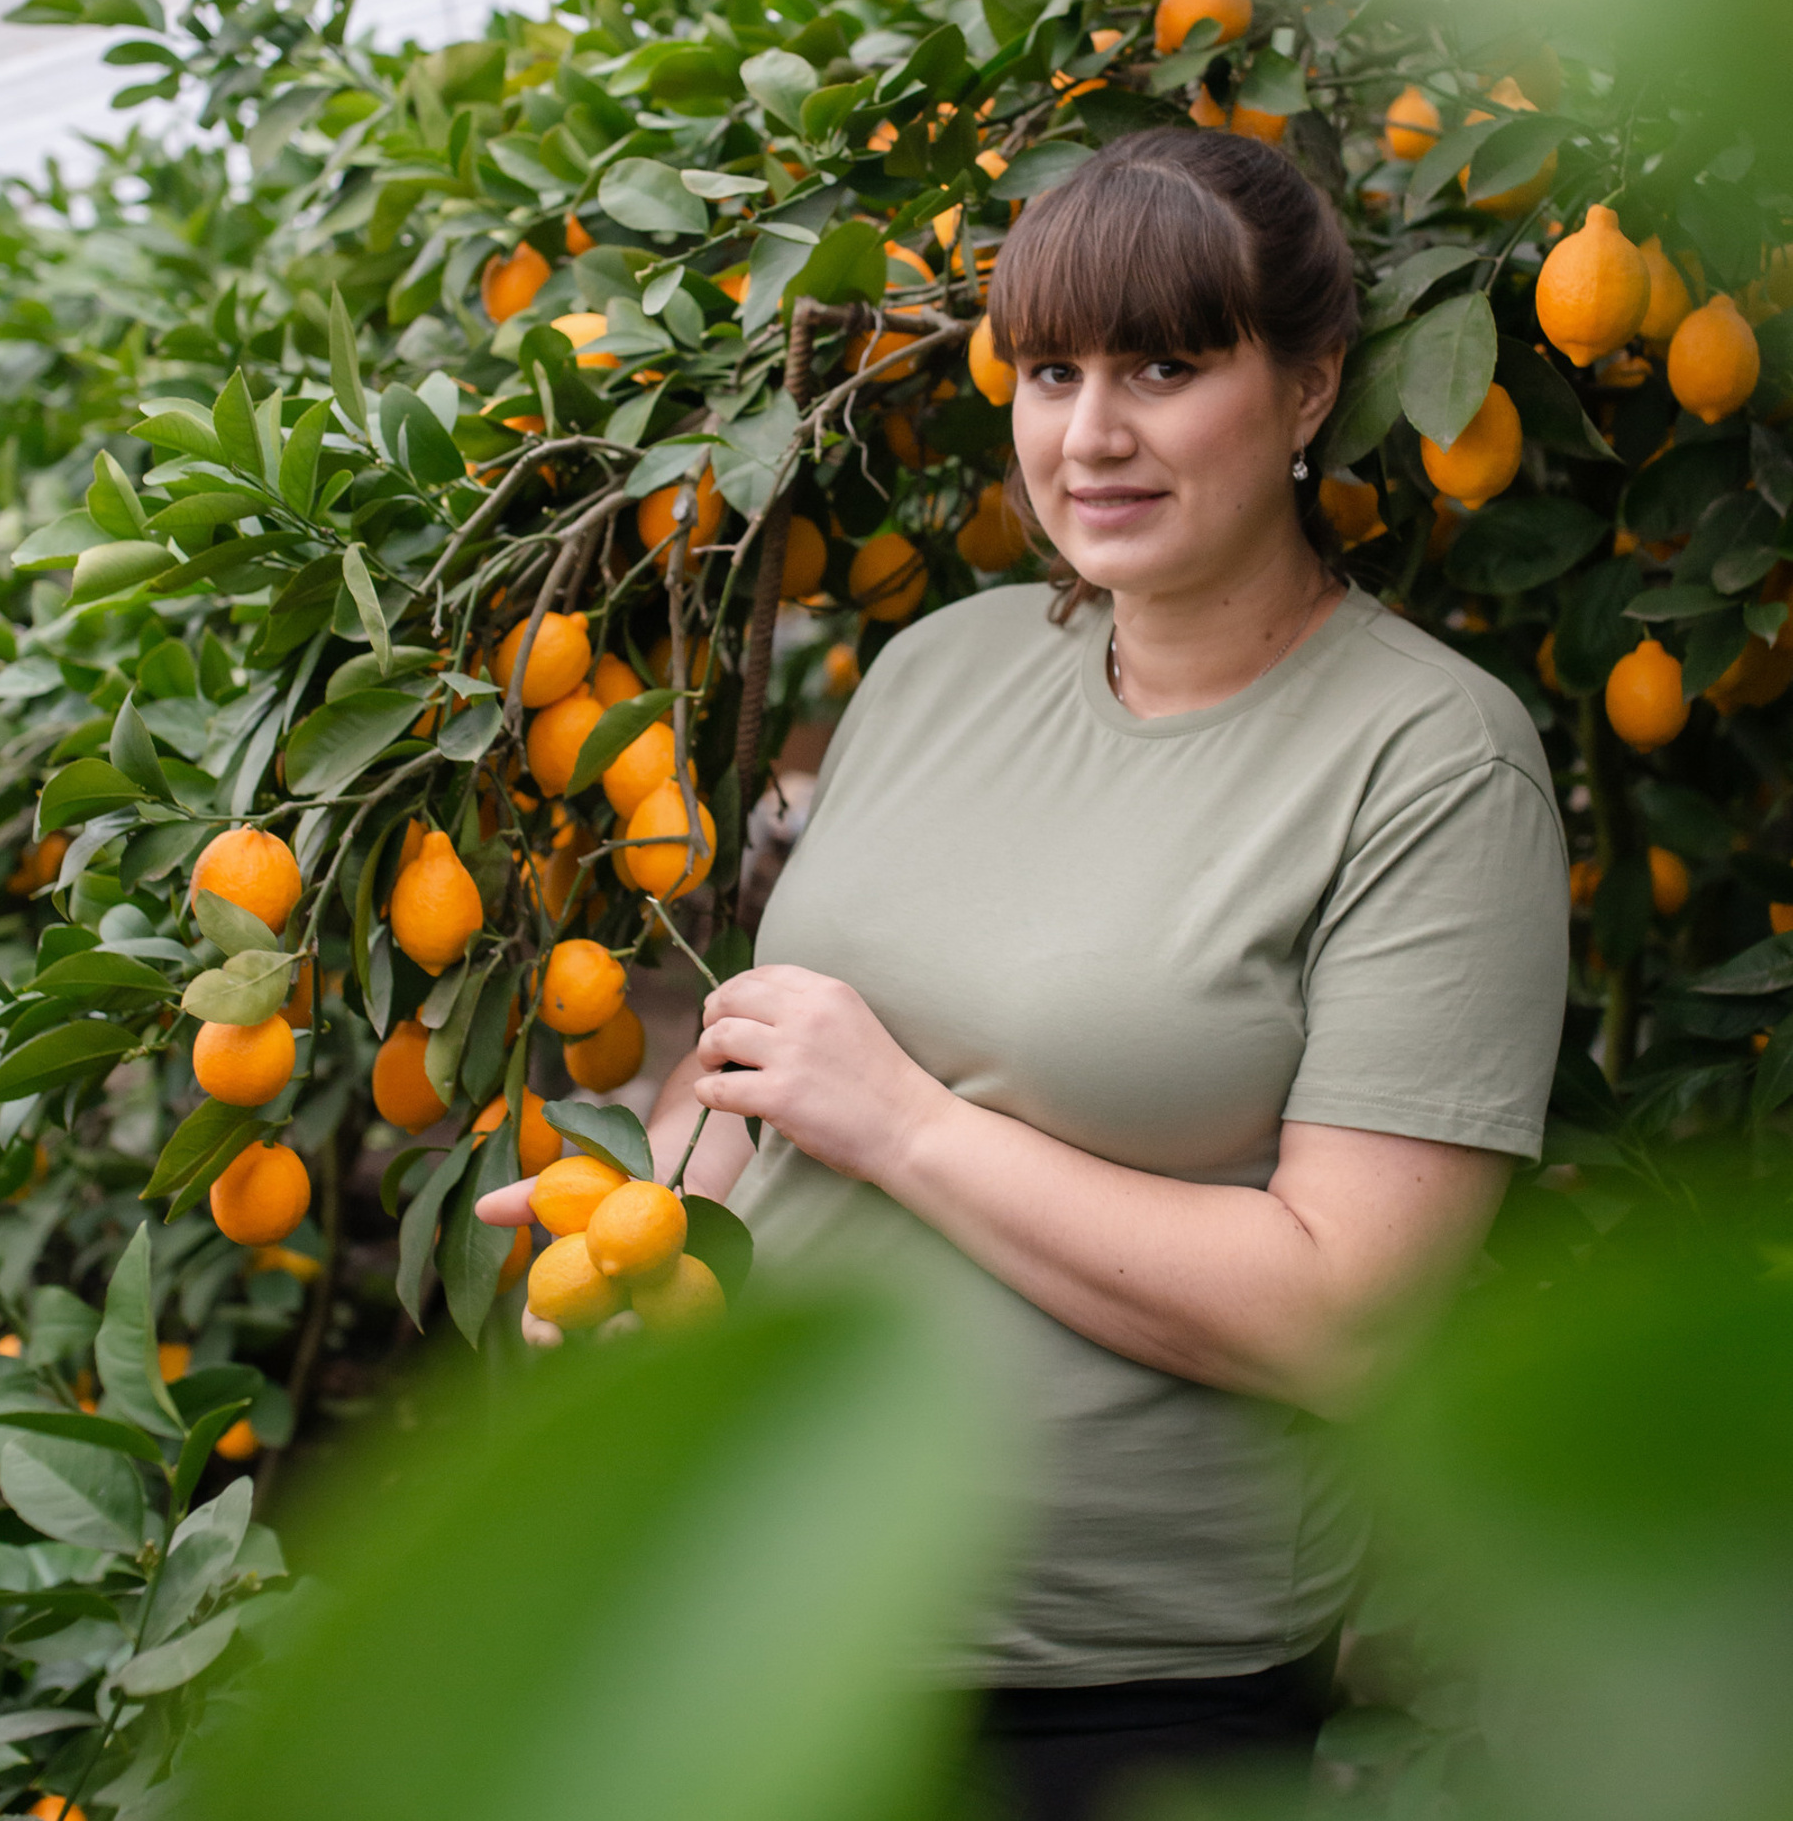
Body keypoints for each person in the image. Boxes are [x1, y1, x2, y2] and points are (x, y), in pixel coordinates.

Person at [481, 127, 1569, 1820]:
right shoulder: (940, 667)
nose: (1092, 435)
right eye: (1049, 371)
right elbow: (775, 1059)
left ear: (1306, 388)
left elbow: (1344, 1316)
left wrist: (908, 1126)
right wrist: (639, 1247)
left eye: (1164, 366)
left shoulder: (1426, 762)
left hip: (1099, 1702)